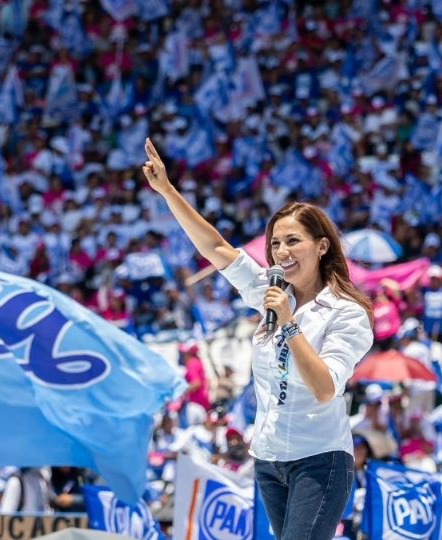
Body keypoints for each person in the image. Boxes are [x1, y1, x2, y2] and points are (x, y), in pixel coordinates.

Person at [142, 138, 374, 540]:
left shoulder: (347, 313)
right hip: (268, 459)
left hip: (319, 461)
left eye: (293, 241)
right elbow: (215, 247)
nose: (280, 251)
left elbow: (323, 388)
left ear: (322, 247)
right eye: (275, 243)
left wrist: (288, 324)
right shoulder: (272, 292)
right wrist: (168, 191)